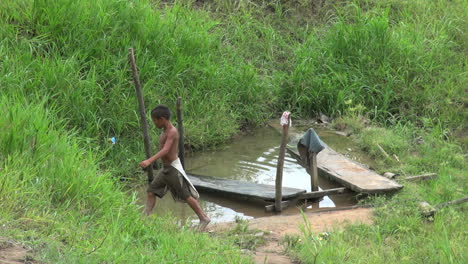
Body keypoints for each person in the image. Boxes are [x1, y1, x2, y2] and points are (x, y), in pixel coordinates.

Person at [139, 105, 210, 230]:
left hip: (173, 169)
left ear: (162, 119)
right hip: (165, 169)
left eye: (155, 120)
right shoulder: (165, 132)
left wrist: (149, 161)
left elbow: (166, 150)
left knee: (186, 195)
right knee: (151, 191)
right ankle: (144, 218)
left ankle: (204, 218)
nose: (155, 123)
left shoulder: (172, 131)